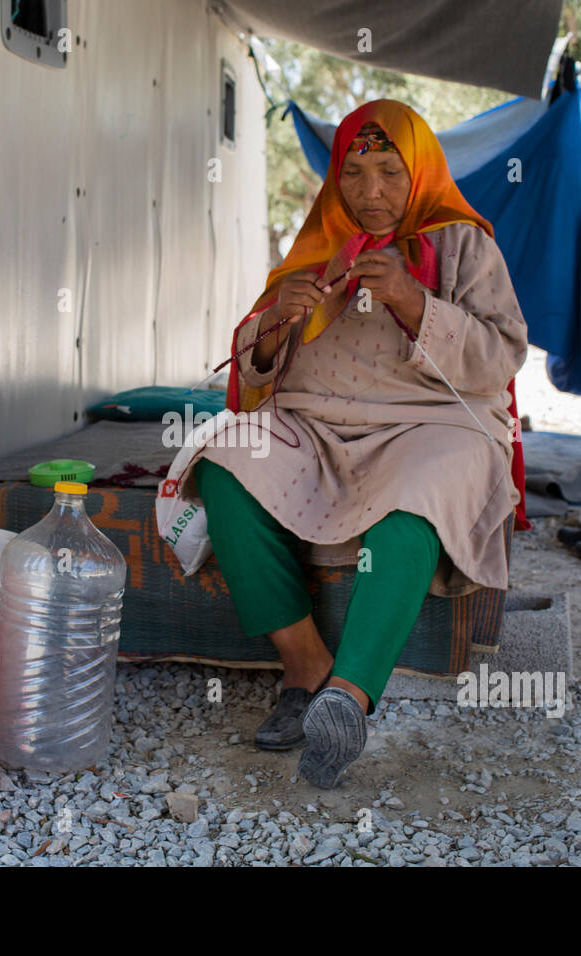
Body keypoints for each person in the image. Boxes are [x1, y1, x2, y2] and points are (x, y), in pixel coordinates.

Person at [177, 99, 527, 789]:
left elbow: (501, 357)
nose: (371, 193)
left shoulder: (462, 245)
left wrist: (413, 300)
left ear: (420, 171)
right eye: (355, 172)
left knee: (417, 495)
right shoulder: (319, 241)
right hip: (317, 423)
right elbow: (254, 369)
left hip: (432, 424)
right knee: (224, 458)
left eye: (391, 172)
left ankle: (350, 697)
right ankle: (304, 665)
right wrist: (278, 323)